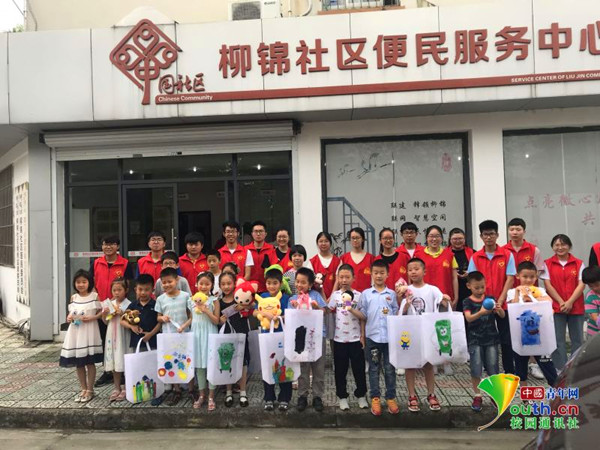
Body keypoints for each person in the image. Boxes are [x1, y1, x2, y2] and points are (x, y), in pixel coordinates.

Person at [399, 258, 450, 413]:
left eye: (416, 269)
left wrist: (445, 300)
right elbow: (401, 313)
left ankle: (431, 394)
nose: (413, 272)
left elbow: (443, 305)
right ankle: (412, 395)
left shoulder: (432, 290)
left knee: (429, 364)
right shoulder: (406, 290)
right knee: (410, 365)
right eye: (410, 270)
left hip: (428, 332)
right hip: (411, 333)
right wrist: (406, 304)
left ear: (424, 271)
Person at [467, 220, 516, 374]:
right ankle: (486, 368)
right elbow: (473, 280)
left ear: (497, 235)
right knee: (483, 337)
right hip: (481, 305)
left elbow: (510, 278)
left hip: (503, 304)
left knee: (506, 339)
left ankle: (509, 371)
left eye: (492, 234)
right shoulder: (476, 257)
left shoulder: (507, 255)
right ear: (481, 236)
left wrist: (500, 300)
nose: (489, 237)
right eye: (485, 234)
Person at [354, 260, 399, 416]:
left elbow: (396, 314)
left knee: (390, 368)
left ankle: (391, 397)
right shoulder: (366, 294)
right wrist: (362, 334)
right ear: (371, 274)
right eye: (376, 273)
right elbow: (363, 316)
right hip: (372, 337)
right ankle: (375, 397)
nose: (379, 276)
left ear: (387, 274)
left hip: (389, 338)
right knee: (374, 369)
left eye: (382, 273)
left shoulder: (391, 294)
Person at [503, 218, 545, 380]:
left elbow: (538, 272)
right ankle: (517, 364)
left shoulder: (534, 250)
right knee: (514, 331)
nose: (515, 232)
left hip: (531, 297)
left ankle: (533, 364)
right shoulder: (503, 250)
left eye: (518, 229)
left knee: (532, 329)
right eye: (512, 229)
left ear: (524, 231)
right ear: (508, 231)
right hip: (512, 296)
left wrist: (531, 292)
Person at [90, 235, 133, 388]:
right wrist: (97, 302)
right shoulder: (96, 263)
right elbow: (92, 283)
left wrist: (121, 303)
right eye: (105, 244)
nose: (108, 247)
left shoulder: (125, 263)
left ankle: (123, 371)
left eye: (112, 244)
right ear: (102, 246)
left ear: (118, 246)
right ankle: (108, 370)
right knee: (104, 339)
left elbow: (128, 285)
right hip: (103, 307)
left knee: (122, 340)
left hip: (120, 307)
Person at [507, 262, 558, 387]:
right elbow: (512, 306)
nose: (528, 280)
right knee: (520, 368)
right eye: (525, 276)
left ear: (536, 277)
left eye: (532, 277)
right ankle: (525, 395)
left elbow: (549, 301)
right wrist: (519, 293)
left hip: (540, 335)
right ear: (518, 276)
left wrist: (531, 298)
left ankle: (558, 393)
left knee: (547, 366)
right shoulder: (512, 292)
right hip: (520, 335)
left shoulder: (540, 291)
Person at [540, 234, 586, 371]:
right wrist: (561, 302)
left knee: (577, 339)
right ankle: (560, 369)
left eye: (563, 244)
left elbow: (582, 284)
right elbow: (547, 285)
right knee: (557, 340)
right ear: (552, 247)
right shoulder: (547, 263)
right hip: (555, 307)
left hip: (576, 306)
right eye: (557, 245)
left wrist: (570, 301)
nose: (560, 247)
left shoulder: (579, 263)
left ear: (569, 246)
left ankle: (575, 368)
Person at [328, 264, 368, 411]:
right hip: (339, 339)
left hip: (356, 339)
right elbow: (327, 309)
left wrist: (362, 335)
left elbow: (363, 317)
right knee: (340, 370)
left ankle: (361, 395)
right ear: (337, 278)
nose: (344, 280)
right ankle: (342, 397)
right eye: (341, 277)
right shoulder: (335, 295)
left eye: (347, 277)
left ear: (353, 278)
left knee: (359, 369)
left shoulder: (359, 295)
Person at [59, 270, 103, 403]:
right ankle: (83, 388)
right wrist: (69, 318)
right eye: (78, 282)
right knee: (79, 362)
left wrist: (93, 317)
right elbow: (71, 313)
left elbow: (102, 312)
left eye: (84, 282)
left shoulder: (95, 296)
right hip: (76, 332)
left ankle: (90, 389)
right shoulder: (74, 297)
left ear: (89, 283)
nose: (81, 284)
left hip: (90, 331)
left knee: (89, 361)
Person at [463, 271, 503, 412]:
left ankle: (494, 394)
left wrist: (499, 309)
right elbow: (468, 318)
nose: (480, 290)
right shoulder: (467, 301)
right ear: (469, 286)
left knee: (493, 367)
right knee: (476, 367)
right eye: (477, 288)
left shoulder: (490, 299)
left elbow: (502, 315)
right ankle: (477, 395)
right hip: (474, 339)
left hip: (491, 339)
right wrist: (481, 312)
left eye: (482, 287)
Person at [287, 267, 327, 412]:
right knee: (303, 367)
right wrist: (294, 308)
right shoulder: (292, 299)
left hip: (317, 336)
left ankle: (317, 396)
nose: (299, 285)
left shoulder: (315, 296)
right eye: (297, 281)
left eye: (303, 282)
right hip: (300, 338)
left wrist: (316, 307)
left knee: (318, 367)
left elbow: (324, 311)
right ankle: (302, 396)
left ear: (310, 284)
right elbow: (289, 318)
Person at [154, 267, 192, 406]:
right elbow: (158, 318)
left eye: (169, 281)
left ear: (177, 280)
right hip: (168, 336)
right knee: (172, 362)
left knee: (187, 360)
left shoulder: (185, 296)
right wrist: (162, 318)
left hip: (184, 334)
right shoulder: (160, 299)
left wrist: (184, 326)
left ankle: (191, 388)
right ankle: (177, 390)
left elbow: (191, 316)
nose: (166, 285)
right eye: (164, 282)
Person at [256, 267, 292, 411]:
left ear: (281, 284)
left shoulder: (286, 298)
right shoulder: (263, 296)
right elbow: (255, 312)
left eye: (275, 283)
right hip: (267, 337)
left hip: (283, 336)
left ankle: (284, 398)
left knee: (283, 366)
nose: (272, 286)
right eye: (269, 283)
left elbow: (290, 314)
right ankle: (269, 397)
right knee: (268, 367)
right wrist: (264, 314)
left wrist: (278, 317)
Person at [219, 272, 252, 408]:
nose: (226, 286)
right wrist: (221, 320)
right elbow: (218, 320)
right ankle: (229, 391)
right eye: (223, 284)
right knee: (227, 361)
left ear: (234, 284)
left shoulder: (240, 297)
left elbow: (251, 307)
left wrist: (244, 307)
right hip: (227, 335)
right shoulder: (219, 301)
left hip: (241, 333)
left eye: (229, 283)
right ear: (219, 285)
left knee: (243, 362)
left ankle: (243, 391)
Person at [189, 271, 220, 411]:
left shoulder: (214, 300)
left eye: (207, 284)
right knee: (199, 366)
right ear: (196, 284)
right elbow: (191, 318)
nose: (203, 286)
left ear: (212, 285)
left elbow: (216, 321)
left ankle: (211, 396)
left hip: (210, 334)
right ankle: (202, 395)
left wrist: (206, 310)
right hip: (196, 335)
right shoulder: (191, 300)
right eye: (201, 283)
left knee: (211, 365)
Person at [100, 278, 131, 402]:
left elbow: (132, 320)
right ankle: (116, 387)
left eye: (119, 290)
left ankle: (127, 387)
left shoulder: (129, 304)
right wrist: (105, 313)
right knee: (114, 361)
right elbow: (105, 321)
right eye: (114, 290)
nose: (117, 292)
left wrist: (122, 313)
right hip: (111, 335)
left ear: (126, 290)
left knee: (125, 359)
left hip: (124, 335)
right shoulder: (109, 303)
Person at [415, 225, 459, 307]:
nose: (434, 239)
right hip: (424, 298)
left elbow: (454, 278)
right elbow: (414, 276)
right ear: (427, 238)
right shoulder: (418, 255)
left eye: (437, 236)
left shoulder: (449, 255)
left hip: (445, 297)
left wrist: (456, 297)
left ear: (441, 238)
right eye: (431, 236)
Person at [122, 274, 161, 351]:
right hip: (137, 342)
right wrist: (131, 326)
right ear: (135, 290)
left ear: (152, 290)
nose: (143, 292)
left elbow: (160, 323)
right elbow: (122, 320)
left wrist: (151, 334)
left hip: (153, 341)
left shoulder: (156, 304)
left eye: (146, 290)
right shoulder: (133, 305)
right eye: (140, 289)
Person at [340, 227, 375, 292]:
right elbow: (338, 279)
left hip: (366, 295)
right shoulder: (344, 258)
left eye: (358, 238)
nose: (355, 240)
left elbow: (374, 280)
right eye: (353, 238)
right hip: (348, 295)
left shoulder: (371, 258)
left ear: (363, 239)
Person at [448, 228, 473, 313]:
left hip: (469, 289)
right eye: (455, 239)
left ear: (464, 239)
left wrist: (470, 273)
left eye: (460, 239)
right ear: (450, 240)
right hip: (452, 289)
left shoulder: (473, 252)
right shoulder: (445, 253)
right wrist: (454, 274)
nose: (457, 241)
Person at [310, 231, 341, 300]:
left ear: (330, 243)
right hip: (316, 300)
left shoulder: (338, 261)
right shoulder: (312, 262)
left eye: (326, 241)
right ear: (317, 243)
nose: (323, 243)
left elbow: (338, 280)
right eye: (321, 241)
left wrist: (331, 297)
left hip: (334, 299)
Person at [583, 266, 600, 338]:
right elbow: (594, 317)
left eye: (597, 285)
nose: (594, 288)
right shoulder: (590, 297)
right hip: (595, 334)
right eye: (591, 286)